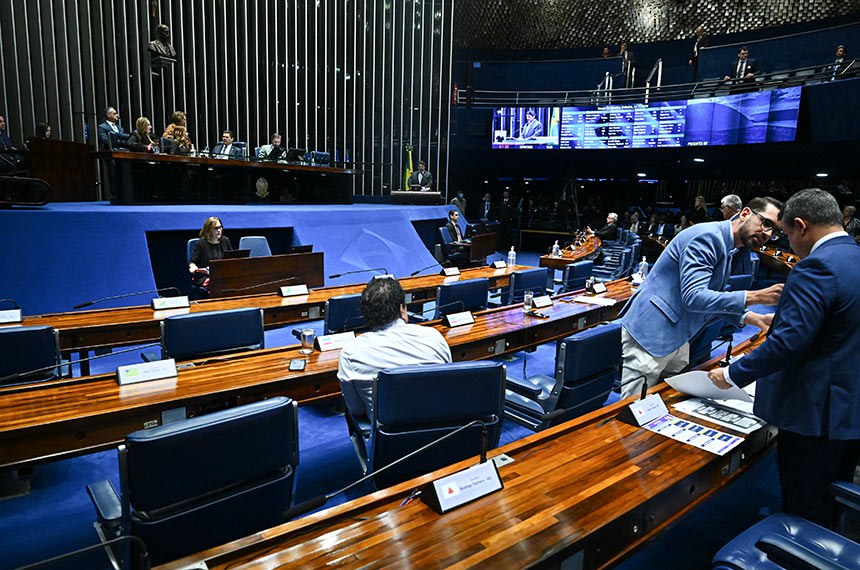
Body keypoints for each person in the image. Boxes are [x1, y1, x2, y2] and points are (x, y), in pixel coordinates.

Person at [708, 189, 860, 530]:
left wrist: (732, 373)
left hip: (814, 414)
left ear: (801, 225)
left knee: (805, 505)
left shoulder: (816, 266)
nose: (789, 244)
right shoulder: (855, 256)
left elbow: (788, 342)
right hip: (849, 410)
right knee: (832, 496)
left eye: (788, 234)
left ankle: (800, 550)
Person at [618, 197, 785, 398]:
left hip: (680, 333)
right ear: (745, 213)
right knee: (635, 407)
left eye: (774, 232)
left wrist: (751, 318)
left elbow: (710, 299)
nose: (767, 234)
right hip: (652, 331)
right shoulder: (708, 237)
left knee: (666, 400)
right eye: (766, 223)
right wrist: (756, 296)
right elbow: (694, 297)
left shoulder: (729, 245)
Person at [337, 277, 452, 421]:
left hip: (390, 440)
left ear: (366, 315)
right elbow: (448, 386)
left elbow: (356, 409)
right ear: (402, 308)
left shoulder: (351, 353)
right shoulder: (434, 337)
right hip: (442, 432)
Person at [188, 216, 233, 298]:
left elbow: (231, 259)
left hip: (223, 277)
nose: (219, 231)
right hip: (206, 277)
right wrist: (193, 267)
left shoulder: (225, 241)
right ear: (209, 230)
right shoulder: (201, 244)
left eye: (220, 227)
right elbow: (192, 262)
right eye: (216, 228)